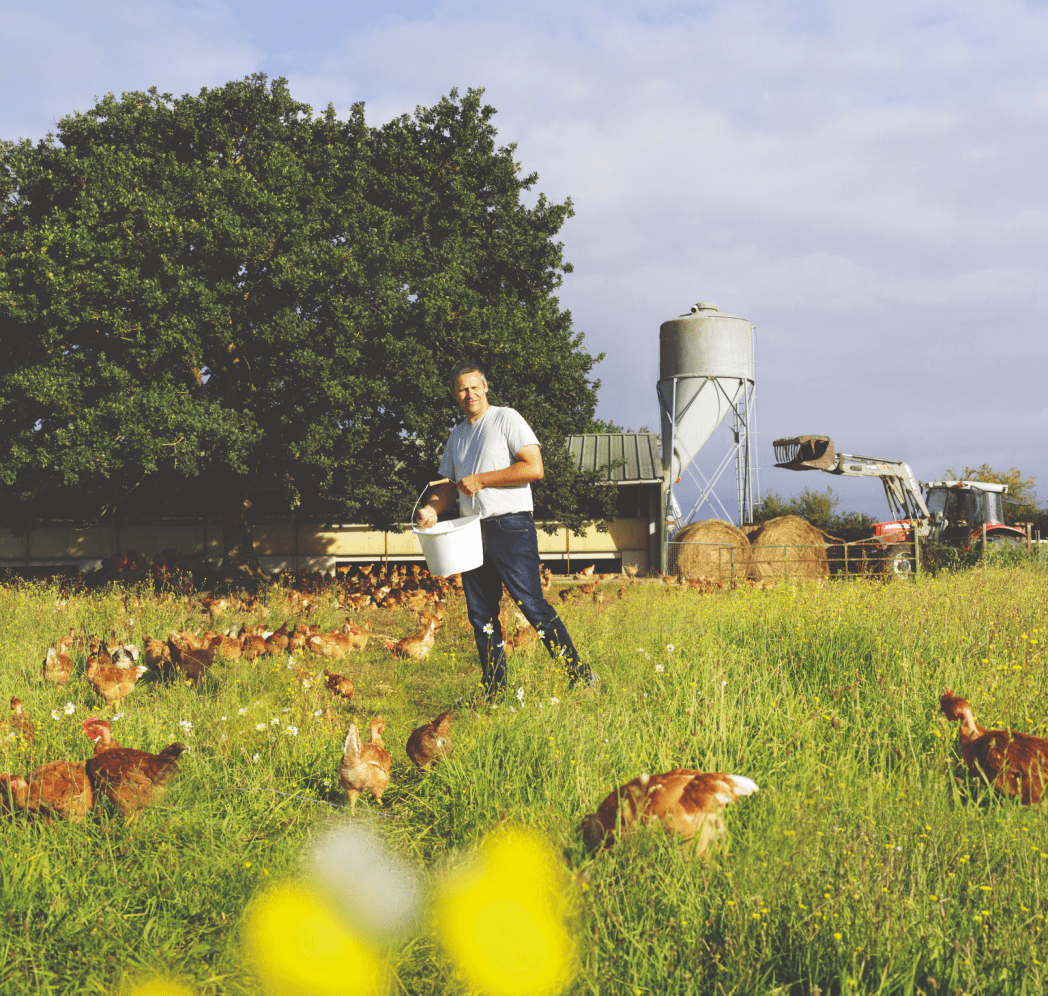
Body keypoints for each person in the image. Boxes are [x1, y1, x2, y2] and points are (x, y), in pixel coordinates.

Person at [416, 361, 598, 700]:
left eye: (474, 387)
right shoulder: (456, 435)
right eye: (461, 389)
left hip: (510, 525)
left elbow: (534, 467)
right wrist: (431, 508)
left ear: (485, 387)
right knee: (481, 614)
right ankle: (494, 690)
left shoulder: (506, 418)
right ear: (455, 395)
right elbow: (448, 486)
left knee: (531, 604)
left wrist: (483, 479)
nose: (469, 394)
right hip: (470, 532)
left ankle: (580, 675)